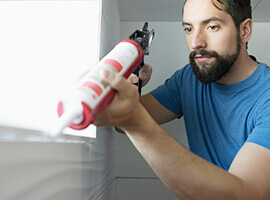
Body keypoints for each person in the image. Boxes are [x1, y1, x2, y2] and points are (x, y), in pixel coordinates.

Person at [95, 0, 270, 199]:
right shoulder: (189, 79)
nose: (196, 42)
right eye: (188, 28)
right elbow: (122, 120)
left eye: (212, 27)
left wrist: (135, 121)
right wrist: (131, 87)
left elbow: (244, 195)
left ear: (245, 30)